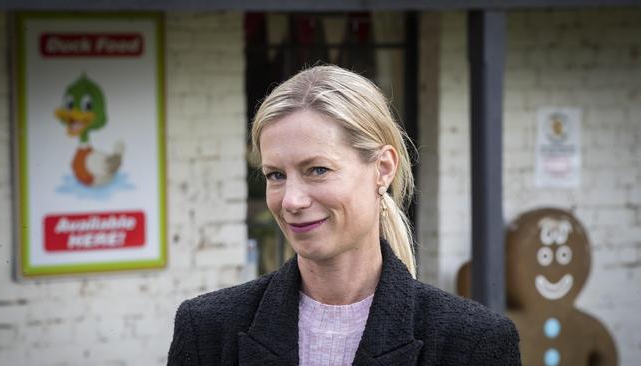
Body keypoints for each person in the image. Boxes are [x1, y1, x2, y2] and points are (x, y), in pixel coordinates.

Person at [167, 65, 521, 365]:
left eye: (317, 170)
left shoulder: (473, 342)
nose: (291, 200)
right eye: (276, 175)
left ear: (382, 169)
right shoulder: (208, 328)